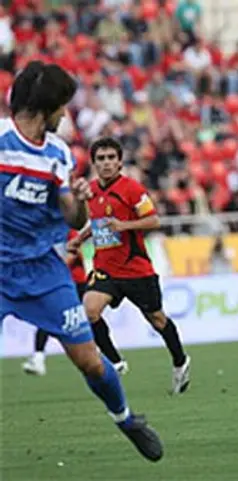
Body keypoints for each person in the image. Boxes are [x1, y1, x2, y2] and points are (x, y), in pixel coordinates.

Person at [0, 61, 163, 461]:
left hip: (43, 270)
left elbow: (74, 219)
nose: (65, 115)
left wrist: (77, 199)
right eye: (62, 107)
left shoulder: (57, 153)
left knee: (90, 360)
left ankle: (126, 419)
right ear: (46, 107)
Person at [69, 136, 191, 394]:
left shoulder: (132, 189)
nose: (106, 163)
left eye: (111, 158)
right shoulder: (91, 191)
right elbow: (98, 222)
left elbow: (154, 220)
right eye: (101, 158)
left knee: (157, 320)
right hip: (105, 268)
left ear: (120, 162)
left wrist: (125, 226)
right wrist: (80, 238)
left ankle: (180, 361)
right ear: (93, 163)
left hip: (136, 270)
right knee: (89, 311)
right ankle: (115, 360)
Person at [22, 229, 87, 376]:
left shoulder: (67, 231)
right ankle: (38, 358)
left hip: (72, 282)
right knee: (49, 319)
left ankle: (39, 357)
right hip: (57, 283)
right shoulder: (42, 233)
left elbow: (73, 253)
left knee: (77, 320)